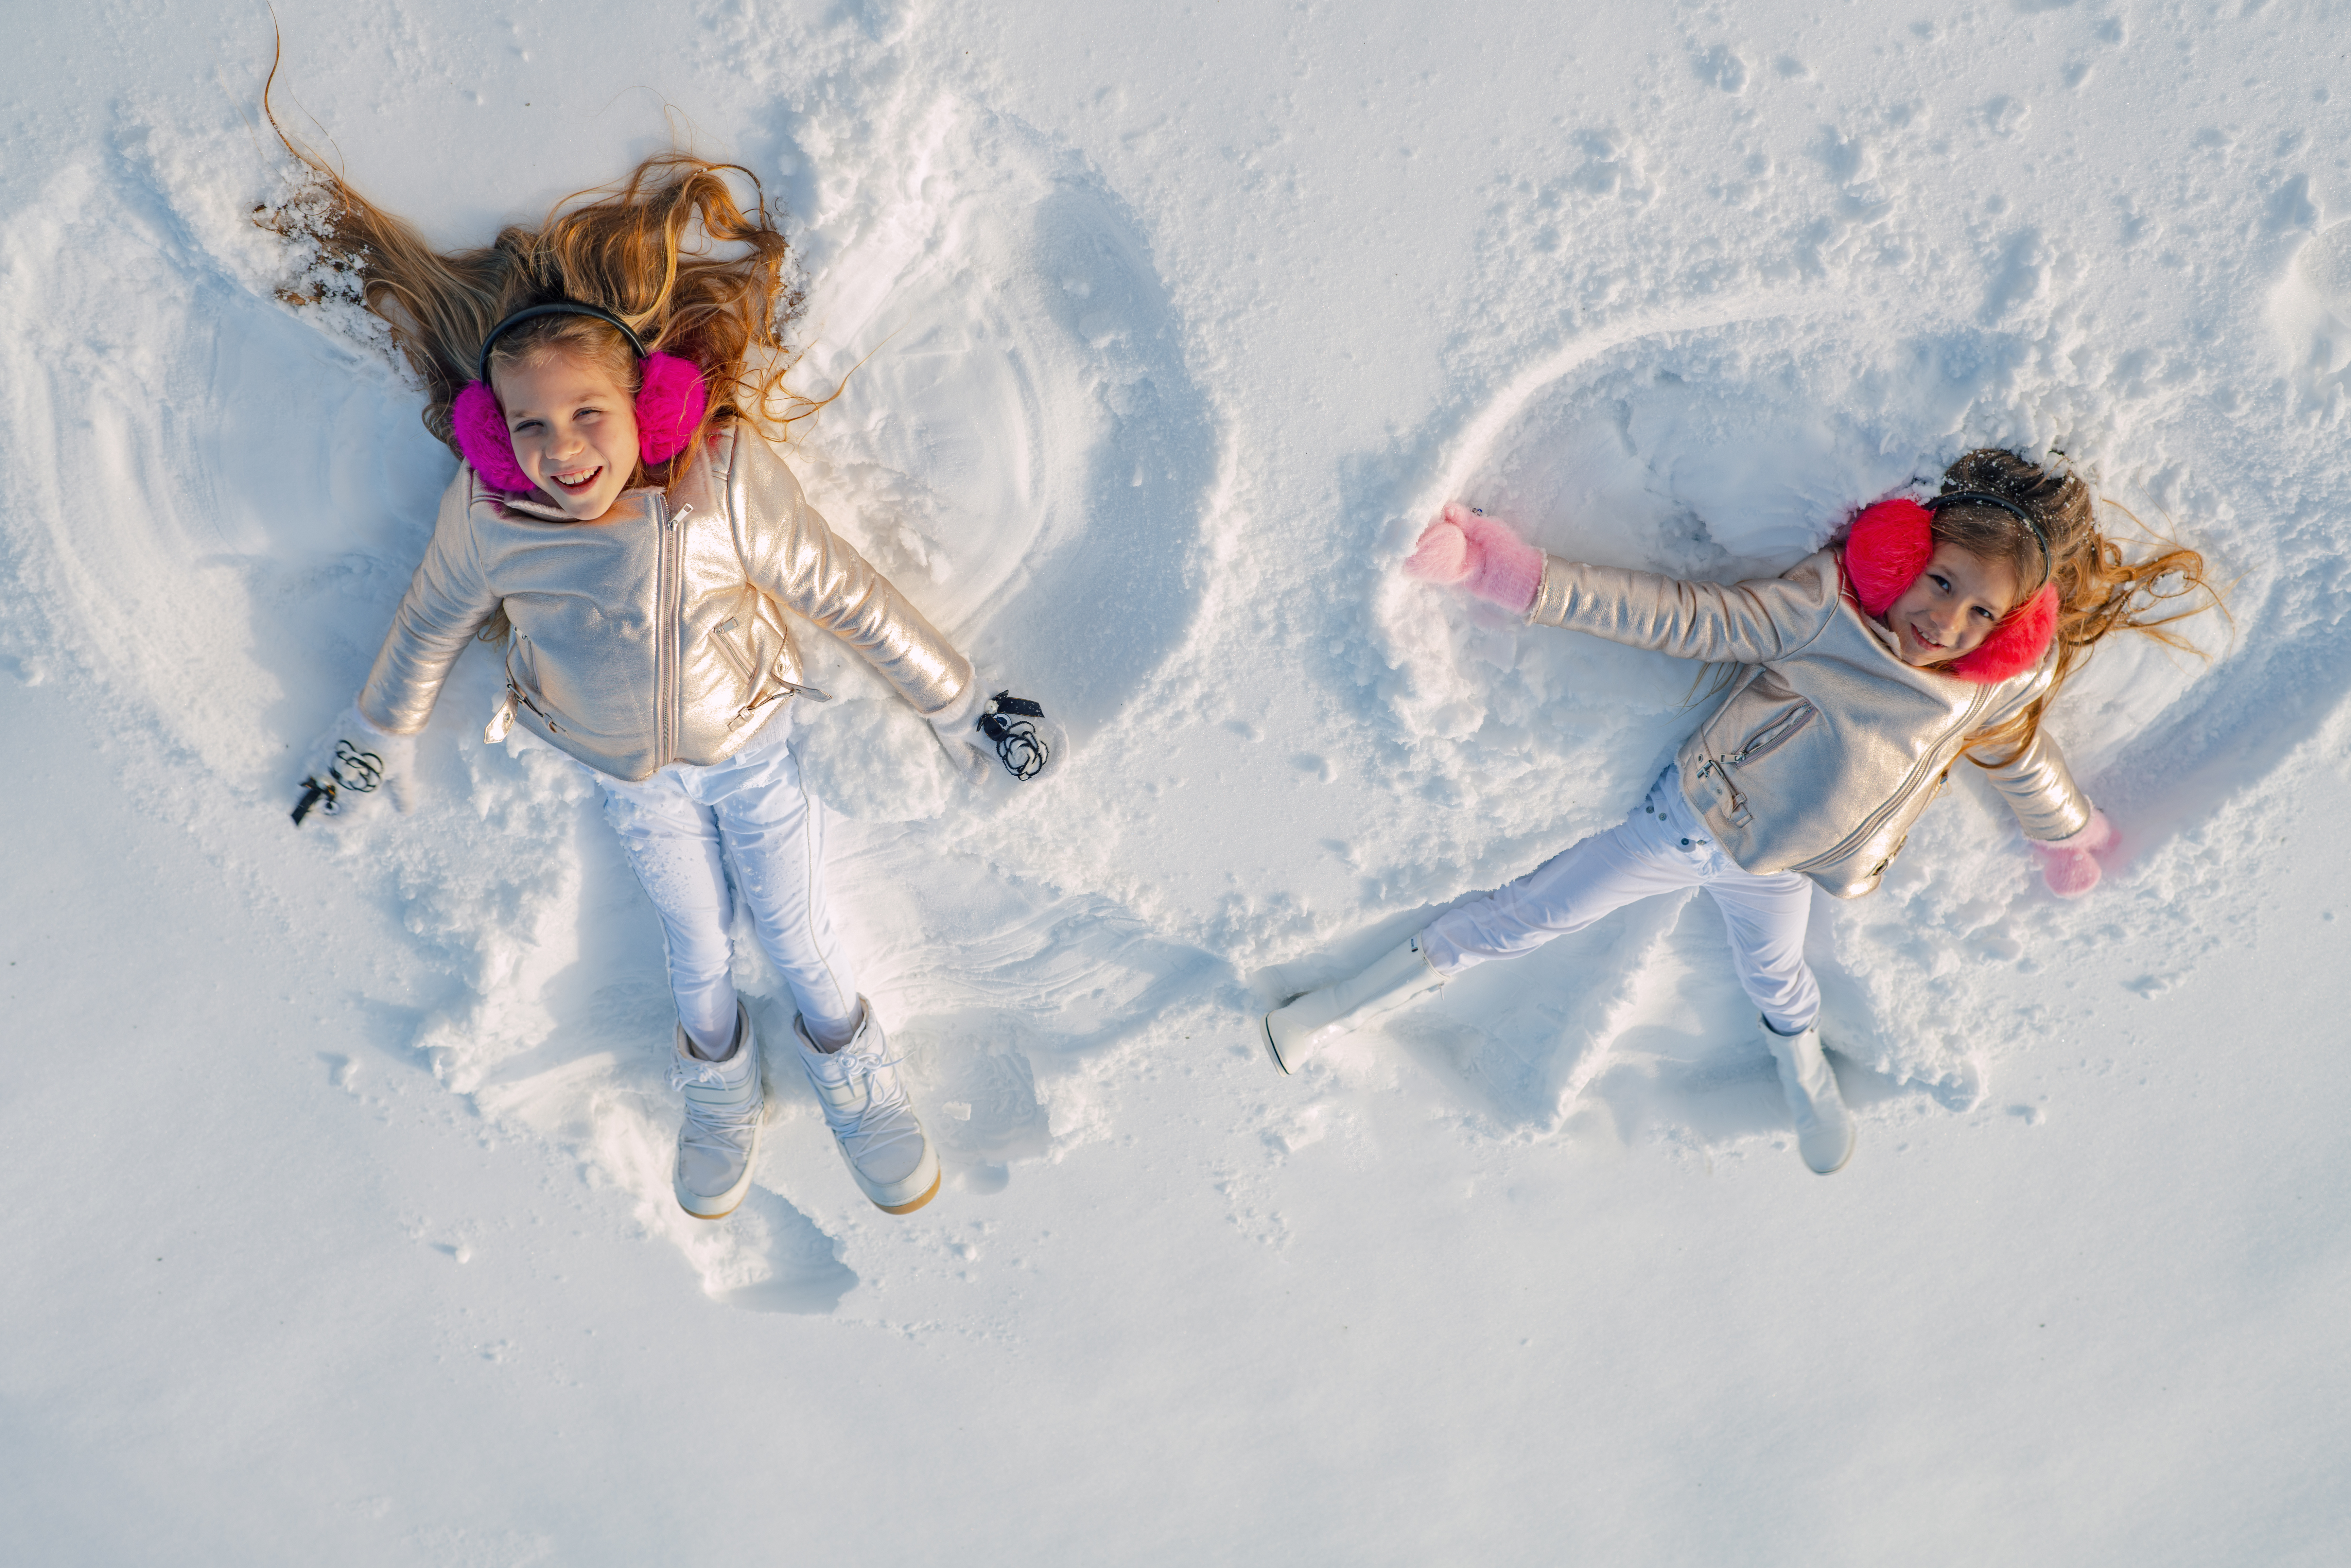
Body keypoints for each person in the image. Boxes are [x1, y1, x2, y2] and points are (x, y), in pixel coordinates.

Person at [278, 150, 1062, 1220]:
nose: (562, 451)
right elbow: (425, 625)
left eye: (587, 415)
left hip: (749, 755)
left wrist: (963, 703)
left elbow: (849, 594)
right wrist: (374, 738)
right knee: (695, 945)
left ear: (641, 404)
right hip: (627, 780)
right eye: (532, 427)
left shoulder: (719, 487)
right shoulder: (489, 520)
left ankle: (853, 1072)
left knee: (795, 933)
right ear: (496, 439)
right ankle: (718, 1084)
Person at [1261, 450, 2213, 1174]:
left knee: (1779, 980)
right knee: (1532, 915)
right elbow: (1682, 615)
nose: (1946, 623)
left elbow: (2018, 756)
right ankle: (1337, 1010)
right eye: (1941, 583)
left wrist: (2068, 830)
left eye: (1979, 616)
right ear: (1900, 558)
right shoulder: (1823, 611)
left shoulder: (1979, 691)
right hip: (1688, 828)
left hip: (1789, 870)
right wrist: (1506, 573)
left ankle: (1805, 1082)